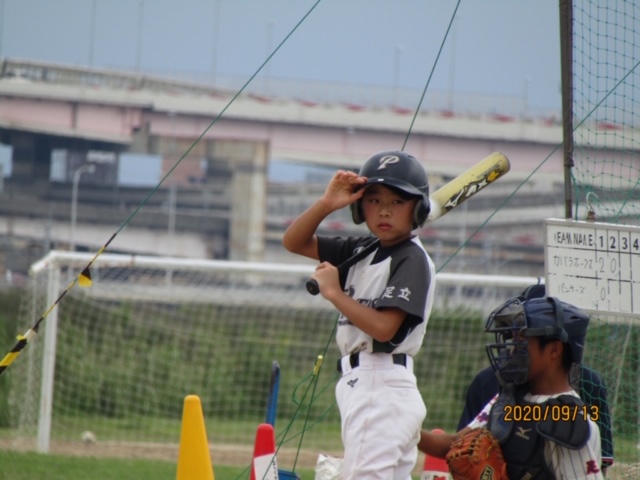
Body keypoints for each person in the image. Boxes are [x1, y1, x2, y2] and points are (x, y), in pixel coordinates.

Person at [282, 150, 436, 479]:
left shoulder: (410, 258)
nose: (384, 210)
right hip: (366, 384)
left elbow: (384, 328)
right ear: (359, 206)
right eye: (373, 200)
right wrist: (326, 204)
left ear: (417, 208)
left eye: (397, 201)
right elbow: (294, 241)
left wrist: (334, 293)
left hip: (381, 382)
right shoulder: (363, 248)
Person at [418, 296, 604, 479]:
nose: (513, 351)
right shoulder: (507, 400)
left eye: (521, 343)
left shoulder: (570, 424)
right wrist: (406, 430)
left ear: (554, 350)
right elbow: (455, 443)